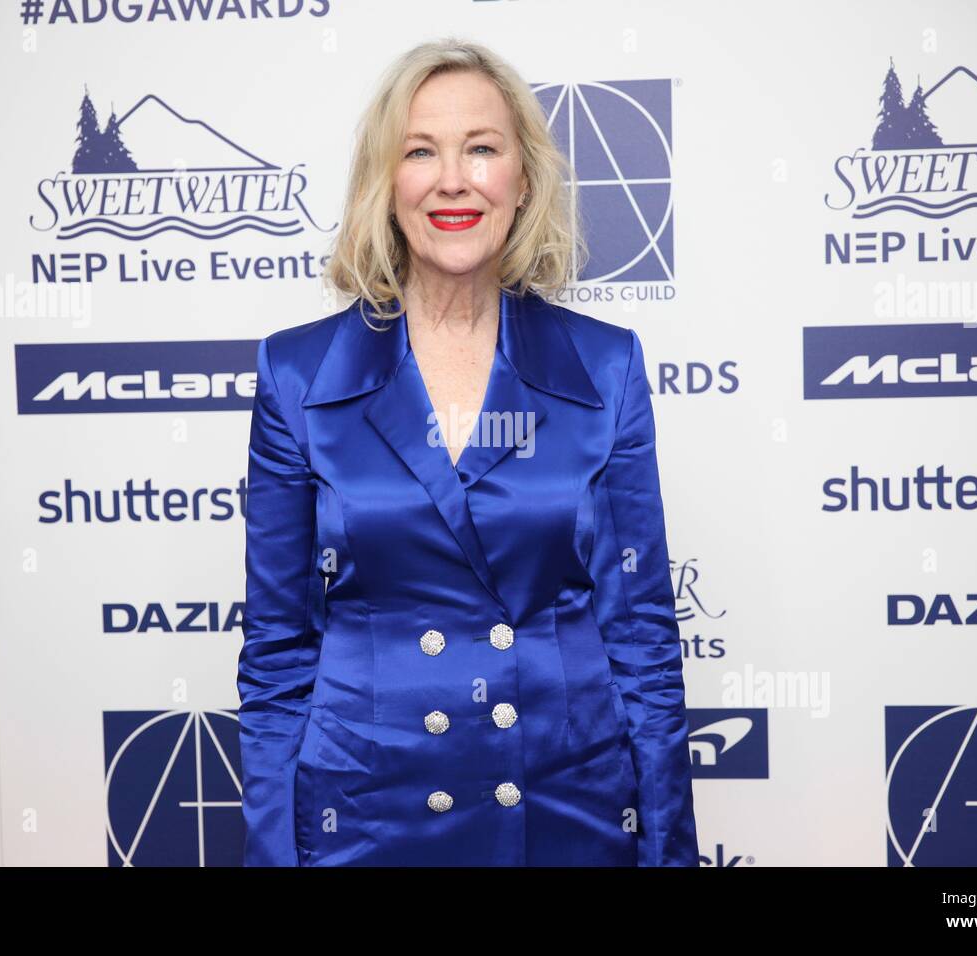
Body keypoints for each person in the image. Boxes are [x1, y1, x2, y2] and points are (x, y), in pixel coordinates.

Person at [239, 37, 698, 866]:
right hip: (368, 819)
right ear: (386, 183)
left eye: (482, 149)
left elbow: (642, 641)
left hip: (566, 809)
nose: (454, 179)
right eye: (421, 152)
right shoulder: (298, 375)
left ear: (523, 180)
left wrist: (667, 851)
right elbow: (278, 658)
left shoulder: (606, 367)